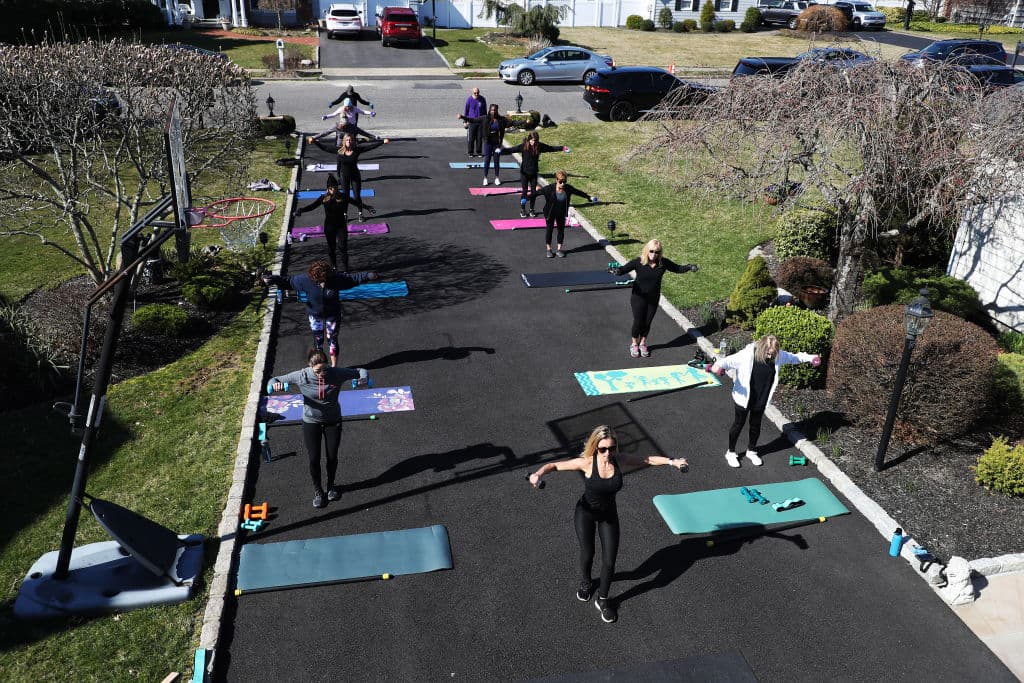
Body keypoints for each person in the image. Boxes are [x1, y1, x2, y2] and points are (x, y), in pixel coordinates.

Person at [528, 425, 688, 624]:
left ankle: (603, 599)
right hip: (585, 513)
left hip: (608, 516)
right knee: (588, 553)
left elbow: (647, 460)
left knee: (609, 561)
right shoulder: (587, 463)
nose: (607, 453)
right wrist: (538, 474)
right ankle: (587, 582)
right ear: (595, 447)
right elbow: (554, 465)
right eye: (602, 449)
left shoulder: (619, 460)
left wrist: (672, 461)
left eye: (611, 449)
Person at [268, 348, 370, 508]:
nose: (322, 373)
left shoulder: (336, 373)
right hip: (311, 422)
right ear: (310, 367)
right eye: (318, 370)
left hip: (333, 420)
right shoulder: (302, 375)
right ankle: (318, 491)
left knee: (332, 457)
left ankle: (331, 487)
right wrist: (275, 386)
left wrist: (363, 378)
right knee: (314, 459)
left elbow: (361, 371)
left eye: (325, 368)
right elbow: (273, 380)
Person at [710, 334, 821, 468]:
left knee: (755, 426)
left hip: (761, 398)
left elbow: (795, 357)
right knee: (738, 424)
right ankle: (731, 452)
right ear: (762, 348)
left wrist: (811, 357)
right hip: (743, 398)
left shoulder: (778, 356)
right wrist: (717, 366)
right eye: (768, 353)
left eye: (773, 354)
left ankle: (751, 451)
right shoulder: (747, 355)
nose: (770, 357)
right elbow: (726, 361)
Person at [264, 259, 378, 368]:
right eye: (317, 281)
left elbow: (353, 278)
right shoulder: (305, 280)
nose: (321, 284)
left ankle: (334, 367)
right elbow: (288, 281)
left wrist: (368, 275)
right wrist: (273, 279)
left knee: (332, 340)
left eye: (323, 281)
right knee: (318, 341)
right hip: (315, 316)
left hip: (332, 315)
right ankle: (319, 365)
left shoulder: (336, 279)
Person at [610, 239, 698, 358]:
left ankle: (642, 343)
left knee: (647, 322)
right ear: (647, 250)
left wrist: (689, 267)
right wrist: (617, 271)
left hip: (653, 298)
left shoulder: (663, 263)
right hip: (638, 297)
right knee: (638, 321)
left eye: (657, 252)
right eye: (651, 251)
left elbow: (677, 268)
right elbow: (624, 269)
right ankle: (634, 344)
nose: (654, 254)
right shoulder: (639, 262)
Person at [292, 174, 376, 271]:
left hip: (341, 226)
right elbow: (312, 206)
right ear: (328, 189)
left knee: (343, 247)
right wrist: (300, 210)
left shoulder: (343, 196)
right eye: (331, 188)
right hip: (329, 226)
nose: (333, 190)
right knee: (331, 249)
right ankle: (334, 267)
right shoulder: (323, 198)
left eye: (335, 188)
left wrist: (368, 207)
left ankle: (345, 268)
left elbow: (356, 202)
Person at [503, 131, 567, 218]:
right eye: (532, 140)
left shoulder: (539, 146)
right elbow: (512, 149)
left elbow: (550, 148)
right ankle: (523, 209)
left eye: (535, 141)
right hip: (524, 173)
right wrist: (501, 151)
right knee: (525, 191)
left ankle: (531, 209)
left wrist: (562, 148)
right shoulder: (524, 146)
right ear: (529, 139)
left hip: (533, 173)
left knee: (534, 192)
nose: (533, 142)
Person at [535, 170, 596, 258]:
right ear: (556, 180)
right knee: (550, 229)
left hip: (561, 212)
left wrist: (589, 197)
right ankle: (549, 249)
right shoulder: (550, 188)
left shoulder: (568, 188)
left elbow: (578, 192)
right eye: (560, 182)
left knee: (561, 230)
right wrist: (526, 198)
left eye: (564, 181)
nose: (563, 184)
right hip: (550, 212)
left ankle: (559, 249)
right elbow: (537, 193)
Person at [458, 103, 510, 186]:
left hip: (496, 143)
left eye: (495, 110)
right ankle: (485, 178)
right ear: (489, 110)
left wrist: (524, 122)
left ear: (497, 111)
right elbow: (473, 120)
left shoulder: (501, 119)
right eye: (492, 110)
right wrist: (462, 117)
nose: (493, 111)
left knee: (496, 161)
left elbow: (512, 123)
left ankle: (497, 178)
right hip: (488, 143)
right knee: (487, 160)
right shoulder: (485, 118)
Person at [462, 87, 487, 157]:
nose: (476, 94)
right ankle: (471, 152)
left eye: (477, 93)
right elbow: (466, 111)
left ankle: (479, 152)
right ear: (472, 92)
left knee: (479, 138)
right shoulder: (469, 100)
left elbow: (485, 111)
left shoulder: (482, 99)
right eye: (475, 93)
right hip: (471, 121)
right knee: (471, 138)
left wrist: (486, 121)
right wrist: (465, 121)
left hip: (480, 122)